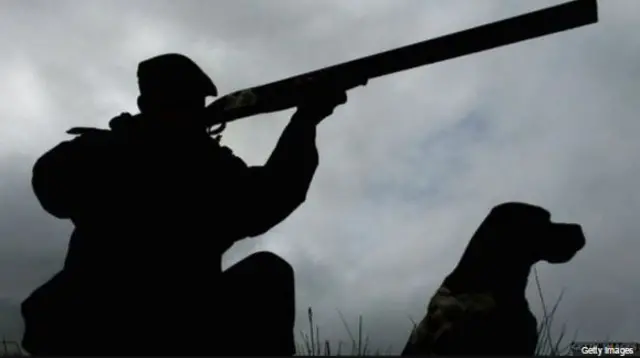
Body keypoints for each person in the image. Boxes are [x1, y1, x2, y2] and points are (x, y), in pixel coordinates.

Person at [21, 53, 347, 356]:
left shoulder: (192, 159)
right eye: (182, 103)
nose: (191, 113)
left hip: (124, 323)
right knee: (267, 276)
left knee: (266, 273)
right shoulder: (191, 163)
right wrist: (306, 120)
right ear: (148, 104)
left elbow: (269, 197)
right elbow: (272, 196)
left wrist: (305, 120)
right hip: (135, 325)